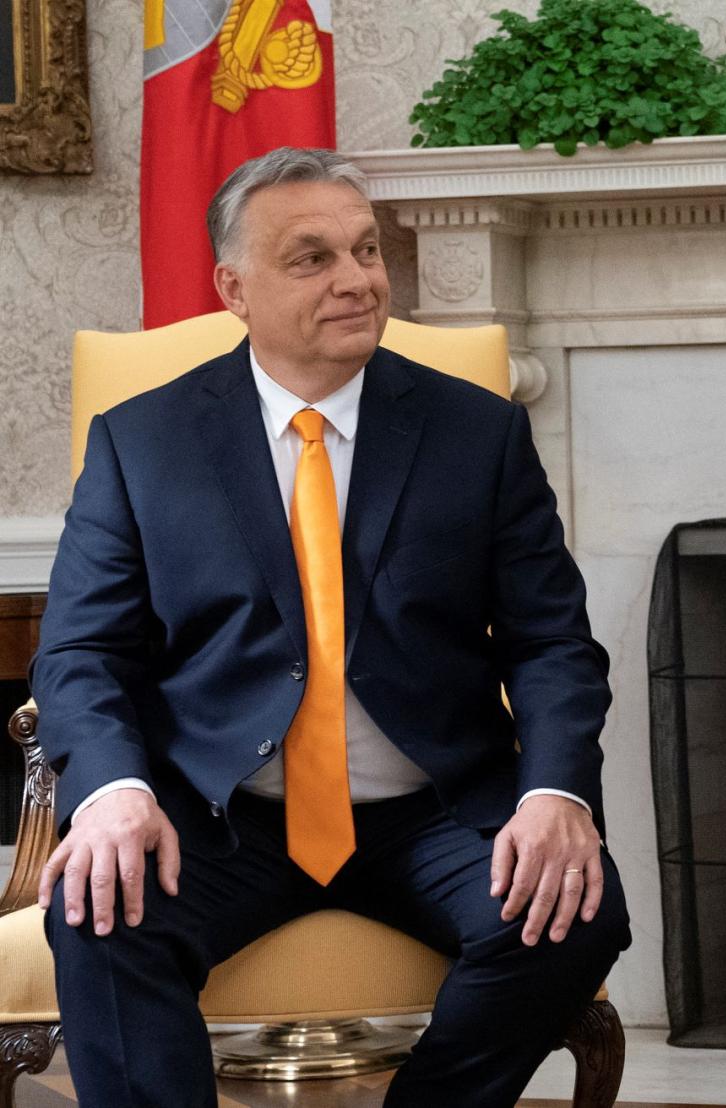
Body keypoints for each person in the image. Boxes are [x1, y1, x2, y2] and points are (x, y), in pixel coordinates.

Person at [31, 146, 629, 1107]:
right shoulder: (143, 441)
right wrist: (113, 787)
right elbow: (80, 652)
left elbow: (552, 643)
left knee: (572, 915)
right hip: (223, 813)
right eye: (313, 259)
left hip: (431, 809)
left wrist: (557, 792)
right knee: (100, 912)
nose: (358, 280)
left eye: (366, 251)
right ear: (235, 287)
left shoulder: (478, 433)